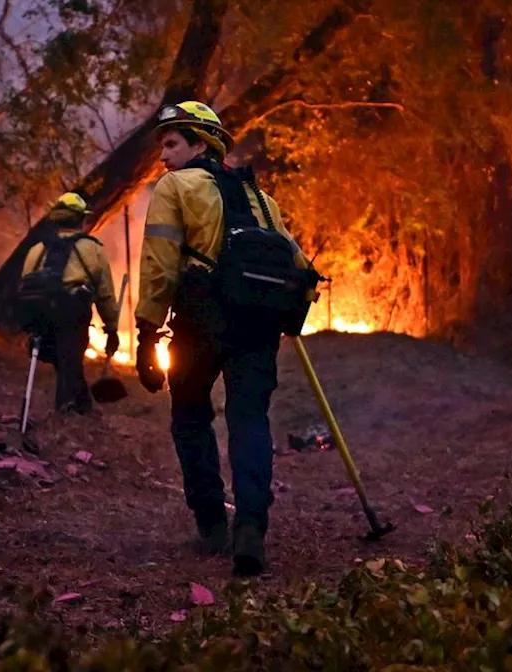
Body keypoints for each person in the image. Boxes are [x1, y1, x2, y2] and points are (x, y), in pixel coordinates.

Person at [134, 101, 318, 576]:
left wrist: (147, 330)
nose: (164, 156)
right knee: (250, 420)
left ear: (201, 143)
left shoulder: (175, 187)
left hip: (201, 320)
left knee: (191, 416)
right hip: (259, 324)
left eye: (172, 143)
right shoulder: (261, 198)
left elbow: (159, 263)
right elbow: (299, 265)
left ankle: (213, 525)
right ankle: (251, 528)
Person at [18, 192, 120, 416]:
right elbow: (105, 296)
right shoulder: (92, 249)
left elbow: (24, 286)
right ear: (81, 220)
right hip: (71, 312)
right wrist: (111, 329)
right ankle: (66, 409)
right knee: (69, 358)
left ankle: (83, 406)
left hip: (39, 313)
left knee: (67, 360)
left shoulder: (36, 250)